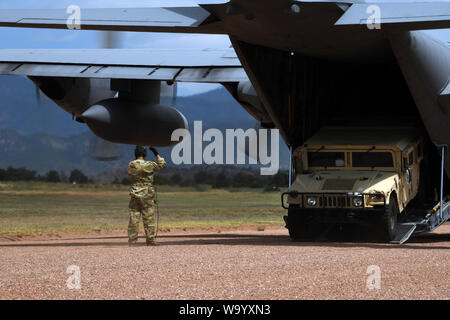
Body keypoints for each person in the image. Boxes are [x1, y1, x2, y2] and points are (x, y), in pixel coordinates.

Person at [127, 146, 167, 246]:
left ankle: (132, 241)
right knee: (149, 218)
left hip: (134, 193)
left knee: (134, 218)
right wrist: (156, 153)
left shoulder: (131, 164)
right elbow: (162, 165)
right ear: (144, 155)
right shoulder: (148, 164)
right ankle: (150, 240)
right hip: (147, 194)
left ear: (135, 154)